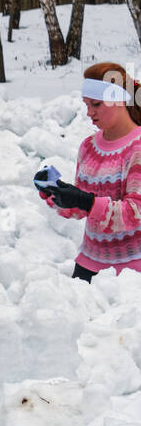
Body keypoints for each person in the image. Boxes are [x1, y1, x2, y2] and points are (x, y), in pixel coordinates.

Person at [36, 61, 141, 280]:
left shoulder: (137, 148)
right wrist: (62, 197)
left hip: (131, 271)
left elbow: (135, 212)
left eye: (96, 104)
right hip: (89, 262)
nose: (89, 113)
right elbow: (86, 207)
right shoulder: (88, 146)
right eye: (86, 105)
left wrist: (86, 201)